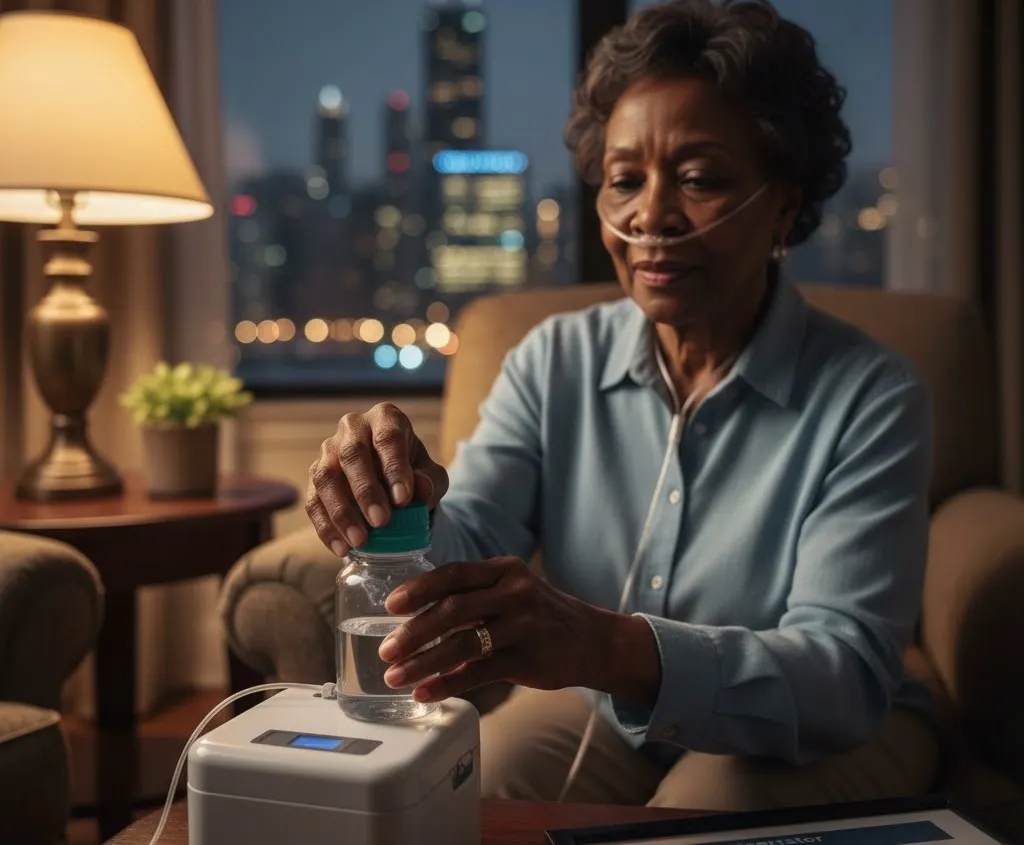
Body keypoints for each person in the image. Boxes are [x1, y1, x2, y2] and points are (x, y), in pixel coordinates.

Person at [306, 0, 938, 812]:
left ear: (783, 201)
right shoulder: (551, 360)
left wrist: (606, 645)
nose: (651, 217)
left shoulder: (873, 396)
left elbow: (842, 672)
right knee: (462, 790)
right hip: (601, 710)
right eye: (624, 180)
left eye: (701, 179)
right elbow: (465, 546)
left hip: (821, 727)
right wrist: (400, 502)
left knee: (703, 804)